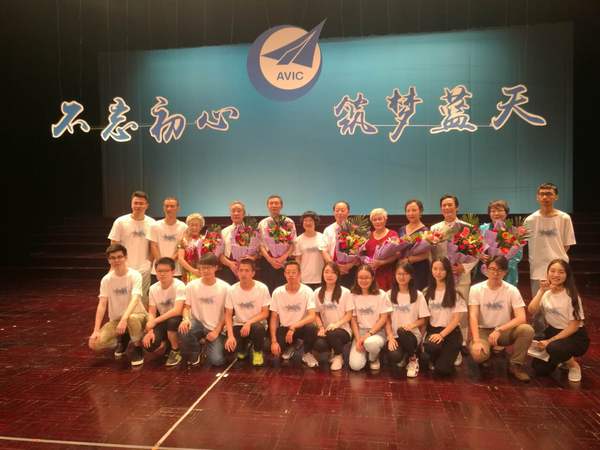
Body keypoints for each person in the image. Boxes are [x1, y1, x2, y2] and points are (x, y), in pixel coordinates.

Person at [468, 256, 534, 382]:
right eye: (492, 269)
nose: (495, 273)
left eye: (499, 270)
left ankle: (515, 365)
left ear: (505, 272)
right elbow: (473, 316)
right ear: (486, 269)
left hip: (503, 331)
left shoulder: (512, 290)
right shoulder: (476, 289)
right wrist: (476, 340)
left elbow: (521, 318)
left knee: (527, 330)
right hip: (483, 331)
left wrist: (499, 330)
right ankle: (487, 353)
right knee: (478, 355)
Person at [527, 259, 590, 382]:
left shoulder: (571, 295)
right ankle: (561, 359)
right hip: (553, 331)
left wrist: (549, 341)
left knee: (554, 348)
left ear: (567, 275)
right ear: (547, 273)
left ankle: (573, 365)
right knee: (539, 369)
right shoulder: (546, 293)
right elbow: (531, 310)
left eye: (561, 272)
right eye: (552, 271)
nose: (556, 275)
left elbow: (574, 326)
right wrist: (541, 291)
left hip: (573, 335)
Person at [430, 194, 476, 355]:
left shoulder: (467, 227)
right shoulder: (434, 229)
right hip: (441, 277)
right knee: (444, 309)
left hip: (461, 275)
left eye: (450, 205)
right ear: (440, 208)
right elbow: (432, 253)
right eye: (444, 205)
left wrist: (464, 267)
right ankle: (443, 339)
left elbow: (476, 251)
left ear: (457, 207)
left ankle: (461, 342)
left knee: (461, 310)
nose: (447, 208)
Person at [88, 244, 148, 366]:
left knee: (131, 319)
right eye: (113, 258)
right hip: (117, 320)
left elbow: (135, 299)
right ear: (109, 260)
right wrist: (96, 330)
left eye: (119, 257)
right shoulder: (106, 279)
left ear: (125, 257)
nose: (116, 260)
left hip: (137, 316)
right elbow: (102, 304)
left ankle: (137, 347)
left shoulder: (135, 275)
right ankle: (123, 338)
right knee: (94, 343)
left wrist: (124, 319)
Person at [524, 183, 576, 298]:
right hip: (538, 268)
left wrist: (557, 262)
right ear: (537, 197)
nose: (545, 197)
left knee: (560, 302)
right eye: (542, 194)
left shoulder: (564, 218)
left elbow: (567, 244)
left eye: (548, 194)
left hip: (559, 269)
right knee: (538, 303)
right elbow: (522, 242)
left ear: (556, 197)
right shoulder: (530, 220)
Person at [178, 253, 230, 367]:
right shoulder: (191, 285)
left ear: (216, 268)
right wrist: (185, 319)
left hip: (216, 327)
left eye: (208, 267)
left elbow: (228, 313)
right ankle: (195, 352)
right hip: (198, 324)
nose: (205, 271)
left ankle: (210, 344)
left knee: (217, 361)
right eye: (202, 268)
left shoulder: (225, 287)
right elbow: (186, 307)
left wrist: (216, 331)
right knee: (183, 329)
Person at [108, 191, 156, 307]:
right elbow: (114, 244)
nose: (138, 206)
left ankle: (140, 318)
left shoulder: (152, 223)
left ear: (147, 205)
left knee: (142, 298)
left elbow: (153, 246)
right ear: (131, 204)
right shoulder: (120, 222)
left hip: (144, 268)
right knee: (123, 297)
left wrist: (148, 263)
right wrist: (115, 265)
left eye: (141, 203)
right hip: (124, 266)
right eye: (135, 203)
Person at [421, 257, 467, 376]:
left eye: (442, 269)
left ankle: (456, 352)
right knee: (429, 351)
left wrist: (441, 335)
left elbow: (456, 319)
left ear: (447, 271)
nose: (438, 272)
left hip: (451, 332)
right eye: (435, 269)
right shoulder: (426, 292)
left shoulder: (455, 293)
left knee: (442, 370)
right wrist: (421, 338)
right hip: (433, 331)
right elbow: (425, 319)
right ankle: (438, 356)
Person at [385, 261, 430, 378]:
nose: (402, 277)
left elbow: (424, 319)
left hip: (412, 335)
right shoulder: (389, 294)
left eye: (405, 274)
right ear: (395, 275)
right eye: (399, 274)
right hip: (395, 336)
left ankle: (413, 359)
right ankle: (405, 355)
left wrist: (412, 325)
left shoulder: (418, 295)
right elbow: (386, 319)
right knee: (394, 356)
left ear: (411, 276)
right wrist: (390, 337)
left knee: (402, 331)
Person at [269, 261, 318, 367]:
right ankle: (292, 346)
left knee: (311, 328)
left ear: (299, 274)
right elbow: (273, 318)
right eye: (288, 272)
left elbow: (312, 316)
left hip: (301, 327)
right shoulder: (277, 292)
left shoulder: (307, 291)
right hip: (285, 328)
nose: (290, 275)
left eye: (293, 272)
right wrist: (273, 341)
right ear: (284, 274)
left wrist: (293, 327)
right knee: (270, 348)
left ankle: (307, 353)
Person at [224, 258, 270, 366]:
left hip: (257, 324)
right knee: (228, 352)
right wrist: (230, 336)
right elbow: (228, 315)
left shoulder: (262, 288)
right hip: (239, 324)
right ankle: (243, 347)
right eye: (241, 270)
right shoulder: (232, 290)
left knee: (257, 328)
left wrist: (249, 323)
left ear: (253, 273)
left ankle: (257, 351)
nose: (243, 273)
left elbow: (265, 313)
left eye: (247, 270)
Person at [142, 257, 185, 367]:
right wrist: (150, 330)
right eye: (159, 271)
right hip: (163, 319)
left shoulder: (179, 285)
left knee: (172, 321)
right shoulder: (153, 288)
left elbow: (177, 310)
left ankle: (176, 350)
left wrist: (155, 321)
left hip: (178, 319)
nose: (162, 274)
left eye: (166, 271)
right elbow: (151, 311)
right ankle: (167, 342)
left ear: (173, 272)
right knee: (149, 345)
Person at [349, 265, 391, 371]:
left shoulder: (381, 294)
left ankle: (373, 358)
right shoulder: (352, 295)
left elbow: (383, 318)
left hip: (377, 331)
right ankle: (367, 352)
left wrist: (369, 334)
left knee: (371, 343)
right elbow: (353, 319)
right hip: (360, 332)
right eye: (360, 278)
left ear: (372, 278)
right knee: (355, 366)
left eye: (367, 277)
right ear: (356, 279)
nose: (363, 280)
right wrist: (358, 339)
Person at [312, 262, 354, 371]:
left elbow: (349, 314)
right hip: (326, 330)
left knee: (333, 333)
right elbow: (316, 314)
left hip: (343, 330)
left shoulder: (345, 292)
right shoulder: (317, 292)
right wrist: (321, 327)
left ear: (338, 275)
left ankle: (338, 356)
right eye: (326, 272)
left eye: (333, 272)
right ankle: (332, 349)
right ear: (322, 274)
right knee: (319, 344)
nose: (329, 275)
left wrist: (336, 324)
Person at [477, 200, 523, 286]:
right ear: (489, 214)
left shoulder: (513, 231)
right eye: (493, 211)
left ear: (506, 213)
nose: (496, 213)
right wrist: (480, 255)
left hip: (507, 271)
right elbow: (475, 248)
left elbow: (517, 255)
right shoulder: (482, 229)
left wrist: (501, 267)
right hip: (485, 271)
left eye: (500, 210)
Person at [258, 195, 297, 292]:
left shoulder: (288, 222)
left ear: (281, 206)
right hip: (267, 262)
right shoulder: (262, 223)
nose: (274, 205)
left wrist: (282, 258)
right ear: (267, 206)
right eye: (271, 203)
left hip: (285, 262)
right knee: (268, 290)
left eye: (276, 203)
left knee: (285, 290)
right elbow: (260, 245)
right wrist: (270, 260)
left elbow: (293, 243)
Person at [150, 197, 187, 280]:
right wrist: (162, 264)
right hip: (157, 271)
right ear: (163, 208)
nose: (169, 209)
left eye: (172, 206)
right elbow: (153, 246)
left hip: (176, 271)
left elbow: (181, 248)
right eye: (166, 206)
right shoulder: (155, 226)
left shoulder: (184, 227)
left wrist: (169, 263)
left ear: (178, 208)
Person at [397, 199, 431, 290]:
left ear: (421, 212)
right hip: (403, 268)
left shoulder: (425, 231)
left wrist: (409, 259)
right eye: (408, 211)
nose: (411, 213)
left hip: (419, 269)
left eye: (414, 210)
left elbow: (427, 254)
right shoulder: (401, 229)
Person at [363, 208, 399, 291]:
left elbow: (397, 254)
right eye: (374, 220)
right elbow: (363, 254)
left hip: (388, 273)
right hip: (371, 275)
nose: (377, 222)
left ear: (385, 219)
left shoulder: (393, 234)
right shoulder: (367, 236)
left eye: (380, 219)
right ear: (371, 222)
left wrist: (382, 262)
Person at [322, 200, 356, 288]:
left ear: (348, 212)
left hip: (351, 270)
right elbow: (324, 250)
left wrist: (349, 265)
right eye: (337, 210)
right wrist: (334, 266)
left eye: (342, 210)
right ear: (334, 213)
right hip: (332, 270)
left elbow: (360, 252)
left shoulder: (355, 229)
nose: (340, 213)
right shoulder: (328, 230)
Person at [294, 211, 328, 290]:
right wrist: (297, 276)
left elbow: (326, 258)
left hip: (321, 277)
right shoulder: (298, 239)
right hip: (304, 278)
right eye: (305, 220)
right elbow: (298, 260)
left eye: (310, 220)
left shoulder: (322, 237)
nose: (308, 223)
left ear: (315, 222)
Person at [219, 200, 250, 285]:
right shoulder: (224, 232)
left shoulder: (251, 231)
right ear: (230, 214)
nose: (236, 213)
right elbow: (219, 254)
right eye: (233, 211)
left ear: (244, 214)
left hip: (247, 268)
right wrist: (230, 264)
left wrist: (252, 258)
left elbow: (257, 252)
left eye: (239, 211)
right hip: (228, 268)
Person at [177, 213, 205, 283]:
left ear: (201, 226)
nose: (194, 227)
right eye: (192, 225)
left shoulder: (206, 240)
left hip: (203, 274)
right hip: (187, 275)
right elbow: (180, 259)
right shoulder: (182, 240)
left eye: (197, 225)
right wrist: (193, 271)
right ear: (188, 226)